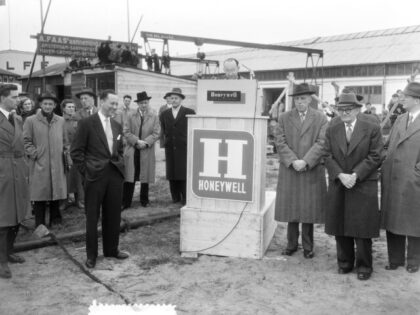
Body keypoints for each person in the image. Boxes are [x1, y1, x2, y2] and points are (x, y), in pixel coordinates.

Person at [324, 91, 383, 281]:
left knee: (362, 227)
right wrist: (340, 175)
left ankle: (364, 266)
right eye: (341, 109)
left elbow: (376, 155)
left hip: (363, 183)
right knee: (340, 224)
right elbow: (327, 155)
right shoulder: (332, 128)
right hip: (340, 182)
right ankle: (345, 263)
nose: (345, 112)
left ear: (357, 109)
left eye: (349, 109)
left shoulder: (372, 127)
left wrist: (355, 175)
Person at [71, 90, 128, 269]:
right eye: (112, 103)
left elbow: (118, 150)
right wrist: (87, 172)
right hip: (94, 177)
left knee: (113, 215)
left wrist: (118, 165)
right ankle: (91, 255)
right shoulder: (86, 123)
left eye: (116, 104)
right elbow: (76, 152)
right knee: (92, 217)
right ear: (101, 101)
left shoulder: (117, 125)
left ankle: (111, 250)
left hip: (114, 176)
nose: (115, 107)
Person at [274, 83, 328, 258]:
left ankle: (308, 246)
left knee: (308, 209)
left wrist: (305, 161)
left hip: (310, 169)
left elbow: (322, 143)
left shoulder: (321, 118)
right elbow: (280, 142)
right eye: (297, 99)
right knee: (291, 208)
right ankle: (291, 244)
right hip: (291, 169)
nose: (300, 102)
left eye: (303, 98)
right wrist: (293, 161)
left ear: (310, 99)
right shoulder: (284, 117)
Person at [381, 82, 420, 274]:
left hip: (413, 180)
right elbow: (388, 144)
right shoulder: (400, 119)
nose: (401, 99)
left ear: (417, 99)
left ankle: (414, 260)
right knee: (393, 219)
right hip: (393, 178)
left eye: (406, 96)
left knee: (414, 220)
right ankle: (395, 259)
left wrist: (416, 172)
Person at [23, 92, 68, 227]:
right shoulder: (31, 120)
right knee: (39, 195)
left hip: (57, 163)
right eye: (45, 103)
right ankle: (40, 224)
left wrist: (65, 154)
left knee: (56, 192)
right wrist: (35, 154)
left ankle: (56, 220)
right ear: (40, 105)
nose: (48, 106)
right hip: (39, 163)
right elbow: (26, 141)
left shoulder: (60, 120)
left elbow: (65, 141)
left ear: (54, 105)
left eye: (50, 104)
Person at [0, 84, 30, 279]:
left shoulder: (17, 119)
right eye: (14, 97)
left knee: (18, 214)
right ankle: (1, 261)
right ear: (2, 98)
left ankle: (9, 251)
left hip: (19, 169)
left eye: (18, 96)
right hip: (2, 170)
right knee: (3, 217)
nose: (17, 100)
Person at [122, 92, 160, 209]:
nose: (144, 105)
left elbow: (156, 133)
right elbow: (126, 131)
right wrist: (136, 141)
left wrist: (146, 142)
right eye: (142, 103)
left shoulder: (153, 116)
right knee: (130, 176)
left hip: (146, 150)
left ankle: (144, 200)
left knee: (145, 176)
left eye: (146, 102)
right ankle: (126, 202)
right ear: (138, 103)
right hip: (133, 149)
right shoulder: (131, 115)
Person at [160, 88, 195, 205]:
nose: (174, 100)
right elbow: (164, 131)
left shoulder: (189, 112)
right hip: (170, 148)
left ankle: (185, 197)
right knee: (172, 173)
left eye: (176, 98)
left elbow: (192, 130)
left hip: (183, 148)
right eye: (172, 98)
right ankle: (175, 197)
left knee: (183, 172)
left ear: (181, 100)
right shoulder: (164, 114)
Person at [61, 99, 84, 209]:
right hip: (63, 152)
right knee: (65, 177)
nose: (71, 109)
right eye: (69, 107)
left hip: (77, 151)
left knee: (77, 177)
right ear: (63, 108)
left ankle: (78, 199)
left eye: (73, 107)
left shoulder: (78, 120)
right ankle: (64, 201)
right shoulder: (59, 121)